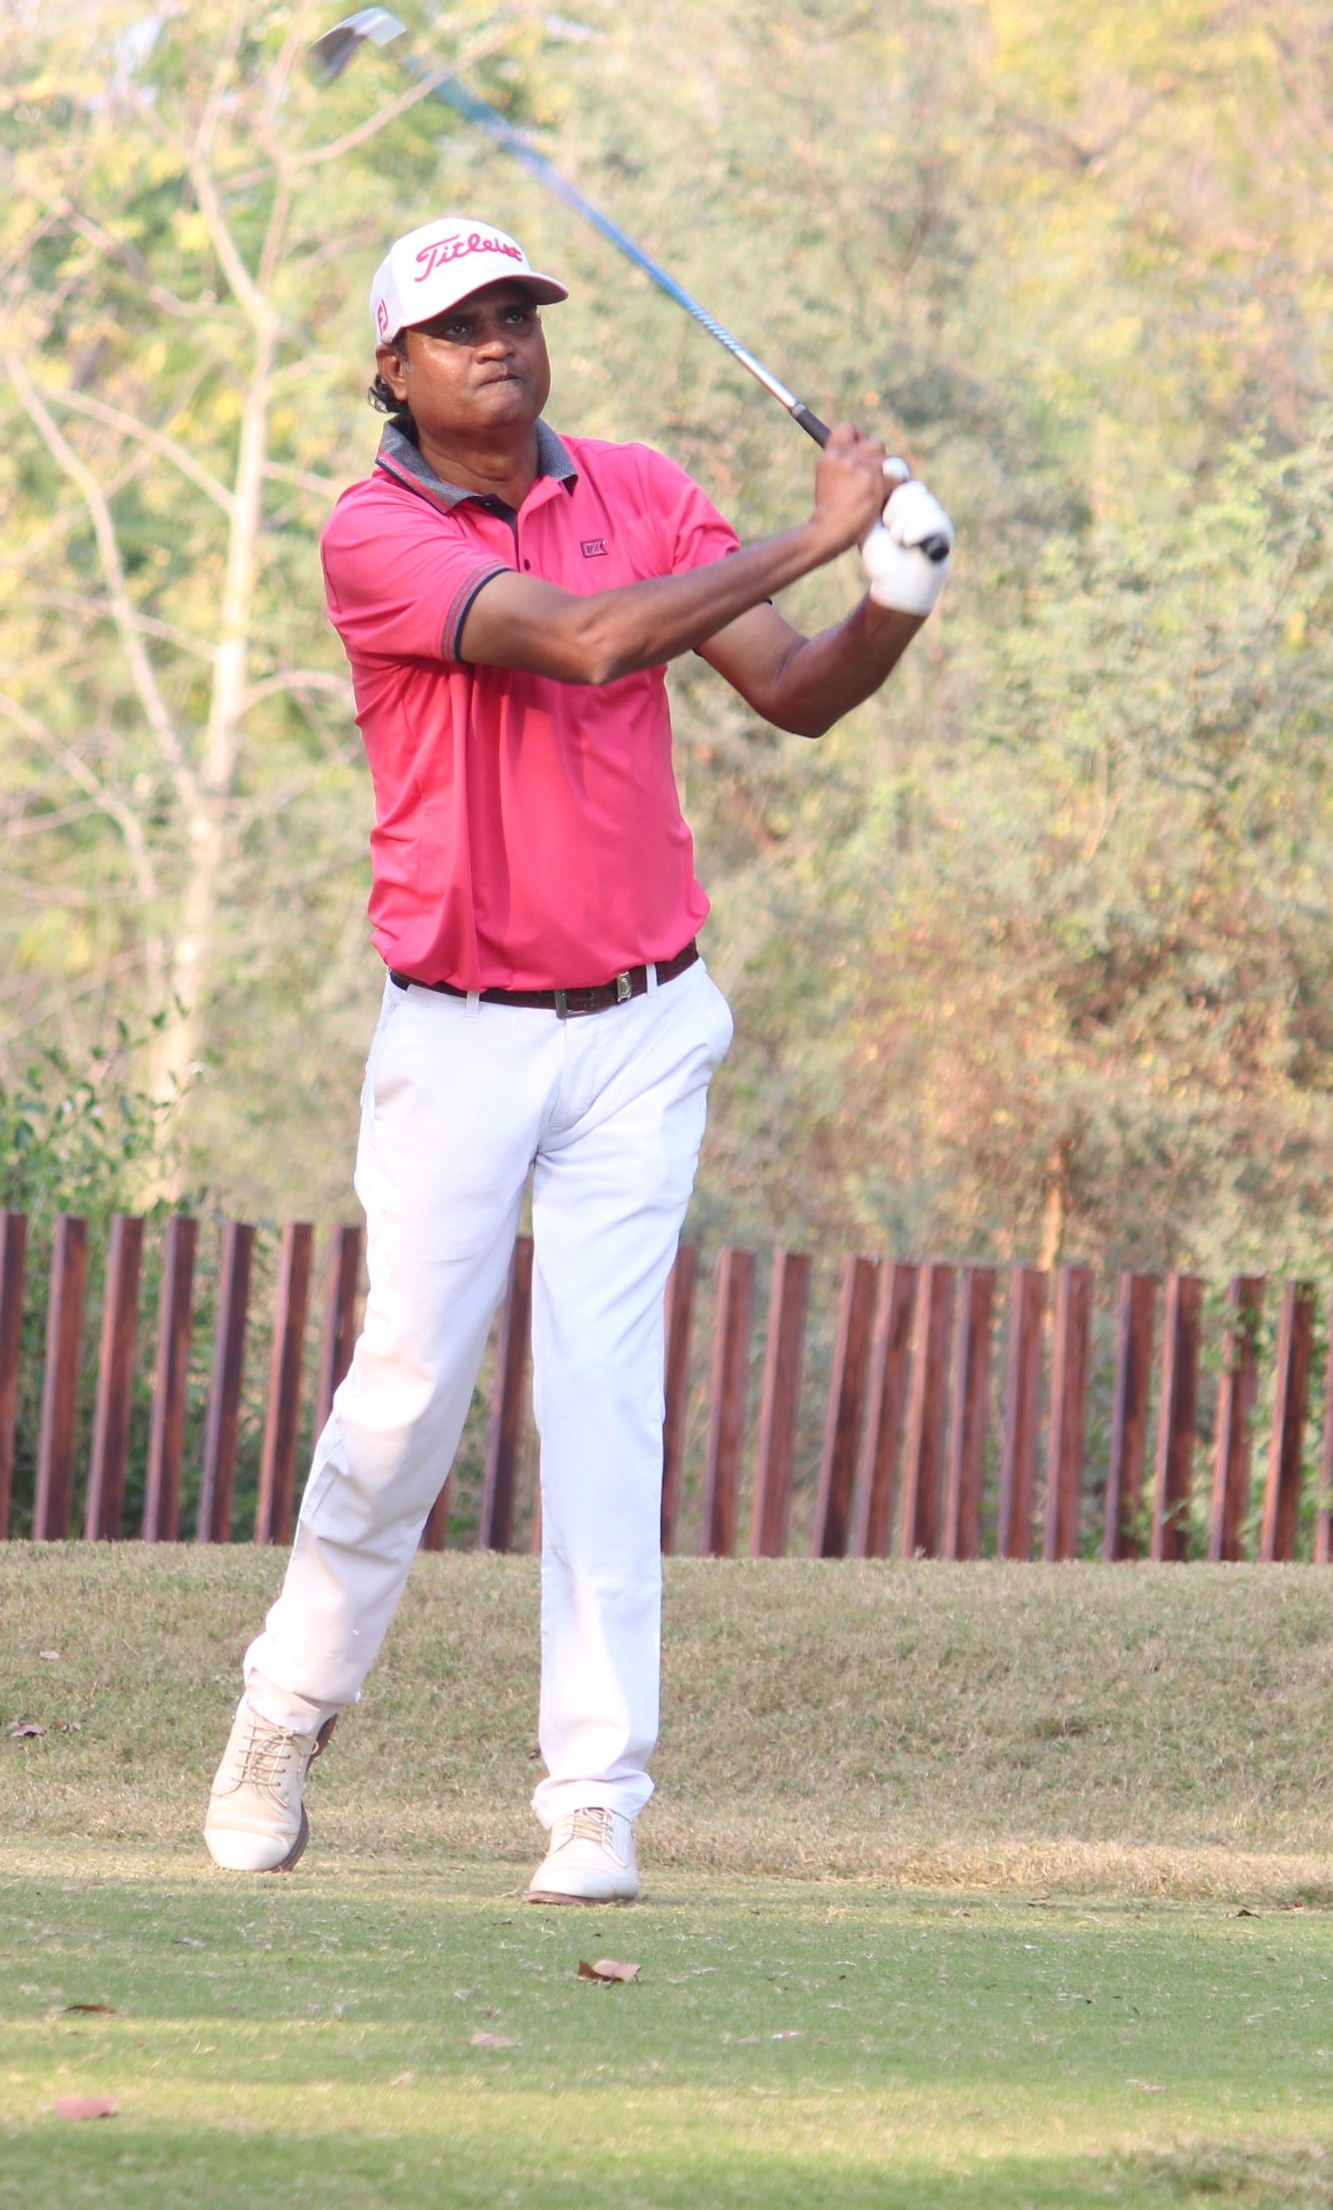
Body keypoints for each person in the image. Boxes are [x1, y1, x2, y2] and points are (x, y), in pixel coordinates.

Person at [203, 216, 951, 1903]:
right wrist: (817, 530)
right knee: (404, 1402)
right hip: (460, 1033)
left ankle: (595, 1799)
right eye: (459, 325)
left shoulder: (641, 487)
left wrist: (893, 592)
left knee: (608, 1414)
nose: (499, 342)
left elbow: (795, 693)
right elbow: (591, 642)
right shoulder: (376, 535)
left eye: (518, 314)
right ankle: (286, 1709)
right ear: (391, 368)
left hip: (643, 1027)